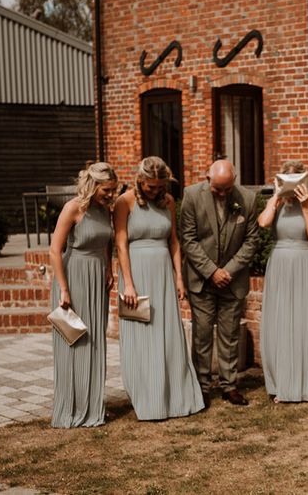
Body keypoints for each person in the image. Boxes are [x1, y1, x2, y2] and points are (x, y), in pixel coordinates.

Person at [114, 156, 204, 420]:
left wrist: (178, 278)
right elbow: (120, 245)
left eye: (159, 186)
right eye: (150, 186)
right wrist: (128, 284)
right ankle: (147, 397)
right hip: (137, 274)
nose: (154, 191)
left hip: (163, 274)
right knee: (142, 333)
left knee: (167, 332)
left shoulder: (168, 202)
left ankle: (175, 396)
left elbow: (174, 242)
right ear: (139, 180)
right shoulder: (124, 202)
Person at [180, 159, 259, 406]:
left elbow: (252, 240)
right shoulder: (191, 196)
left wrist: (230, 270)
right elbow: (188, 239)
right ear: (207, 178)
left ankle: (230, 386)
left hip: (233, 281)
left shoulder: (248, 199)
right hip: (202, 280)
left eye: (227, 189)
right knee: (202, 334)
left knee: (230, 334)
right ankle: (202, 386)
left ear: (233, 180)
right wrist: (212, 271)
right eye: (218, 189)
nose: (223, 194)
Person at [49, 162, 118, 428]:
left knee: (94, 341)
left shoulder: (105, 210)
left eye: (113, 190)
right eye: (107, 190)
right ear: (94, 185)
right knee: (74, 342)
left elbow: (108, 240)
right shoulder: (73, 208)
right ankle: (71, 408)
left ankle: (92, 406)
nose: (111, 195)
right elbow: (55, 250)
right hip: (73, 277)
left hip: (96, 278)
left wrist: (109, 267)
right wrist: (64, 288)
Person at [258, 161, 308, 403]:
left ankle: (303, 384)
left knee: (302, 321)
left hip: (304, 262)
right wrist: (275, 198)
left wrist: (306, 207)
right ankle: (279, 382)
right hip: (279, 264)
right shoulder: (277, 202)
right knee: (279, 321)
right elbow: (263, 223)